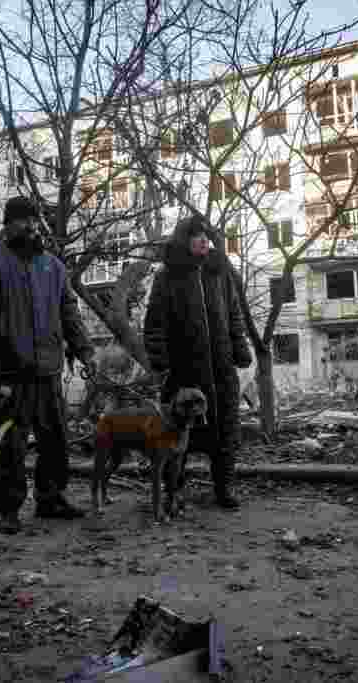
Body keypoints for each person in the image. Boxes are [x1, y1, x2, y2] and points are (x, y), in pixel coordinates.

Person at [0, 196, 96, 534]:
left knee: (56, 438)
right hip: (9, 371)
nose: (32, 226)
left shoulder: (53, 267)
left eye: (36, 221)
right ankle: (8, 508)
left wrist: (85, 351)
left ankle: (51, 498)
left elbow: (69, 313)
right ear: (8, 225)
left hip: (48, 369)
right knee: (10, 444)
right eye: (24, 220)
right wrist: (2, 333)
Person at [143, 214, 252, 509]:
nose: (204, 240)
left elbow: (233, 314)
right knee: (178, 433)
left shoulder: (219, 270)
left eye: (206, 235)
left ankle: (224, 488)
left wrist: (240, 349)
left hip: (221, 368)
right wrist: (160, 361)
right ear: (183, 240)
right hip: (184, 371)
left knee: (226, 430)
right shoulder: (167, 275)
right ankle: (173, 490)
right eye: (196, 236)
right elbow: (155, 322)